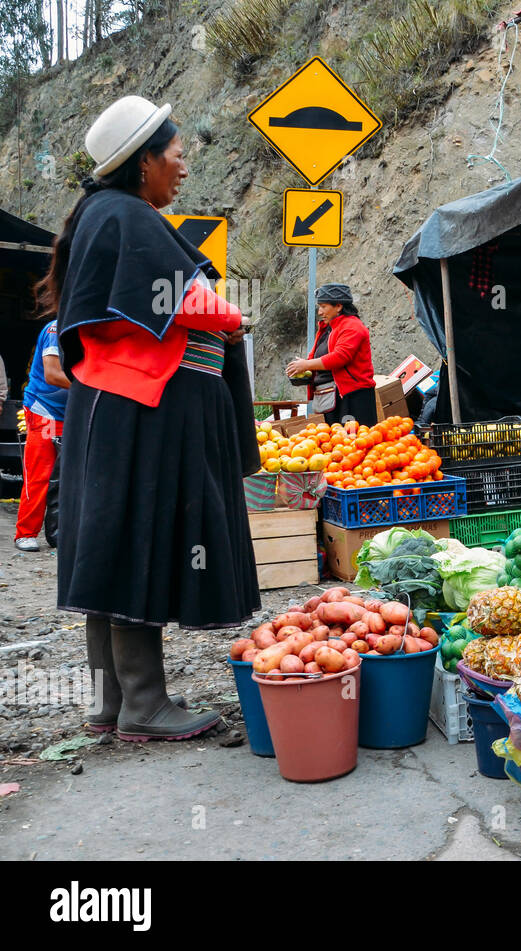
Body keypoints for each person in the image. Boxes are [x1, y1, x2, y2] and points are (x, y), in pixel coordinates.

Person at [44, 95, 259, 741]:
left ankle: (109, 704)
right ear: (143, 162)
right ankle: (144, 704)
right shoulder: (126, 216)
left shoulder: (101, 213)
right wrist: (232, 315)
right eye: (176, 153)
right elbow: (185, 297)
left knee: (107, 544)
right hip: (136, 403)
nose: (183, 166)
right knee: (132, 540)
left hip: (111, 403)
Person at [286, 284, 377, 426]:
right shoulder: (327, 328)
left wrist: (306, 365)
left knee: (353, 442)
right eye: (319, 307)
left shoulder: (352, 327)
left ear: (339, 306)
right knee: (335, 442)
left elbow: (340, 357)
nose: (320, 312)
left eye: (323, 306)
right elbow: (317, 356)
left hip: (353, 398)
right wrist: (306, 369)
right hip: (331, 399)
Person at [14, 319, 69, 552]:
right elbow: (53, 374)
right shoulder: (55, 328)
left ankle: (61, 532)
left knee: (69, 477)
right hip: (44, 409)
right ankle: (25, 533)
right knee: (40, 474)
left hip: (72, 411)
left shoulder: (90, 331)